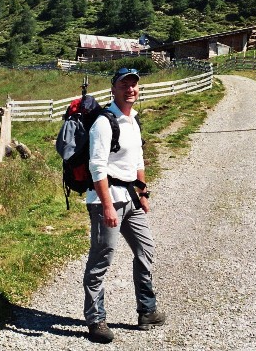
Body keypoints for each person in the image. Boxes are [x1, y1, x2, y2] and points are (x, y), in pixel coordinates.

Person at [83, 67, 166, 344]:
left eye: (134, 85)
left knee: (146, 250)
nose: (130, 89)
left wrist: (143, 193)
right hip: (106, 201)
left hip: (131, 199)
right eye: (124, 84)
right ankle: (96, 320)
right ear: (113, 89)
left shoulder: (133, 120)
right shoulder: (104, 123)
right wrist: (106, 206)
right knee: (101, 259)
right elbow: (97, 168)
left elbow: (139, 160)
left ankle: (147, 310)